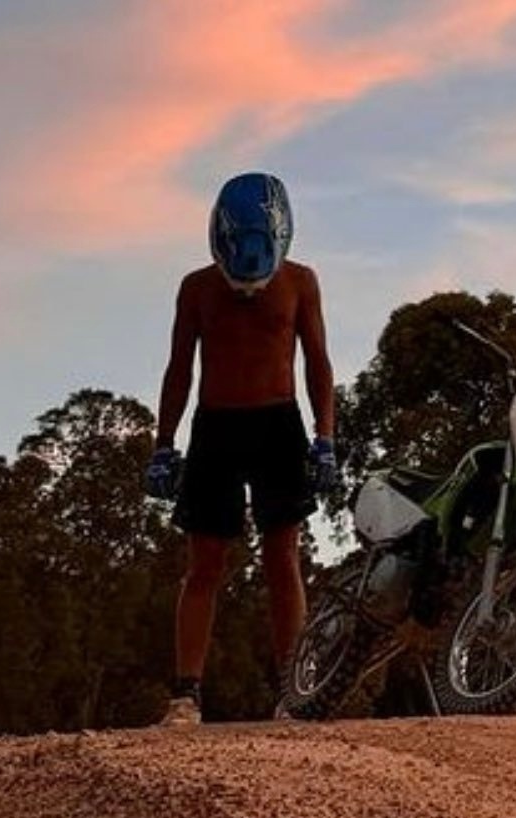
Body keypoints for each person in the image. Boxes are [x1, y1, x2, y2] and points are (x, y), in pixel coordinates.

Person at [146, 172, 336, 725]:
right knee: (203, 564)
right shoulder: (197, 288)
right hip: (216, 428)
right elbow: (179, 370)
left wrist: (325, 438)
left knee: (283, 559)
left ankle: (292, 694)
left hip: (278, 425)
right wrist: (163, 444)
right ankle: (186, 695)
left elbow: (318, 364)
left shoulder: (301, 282)